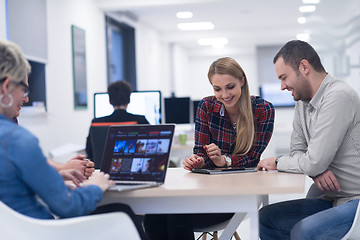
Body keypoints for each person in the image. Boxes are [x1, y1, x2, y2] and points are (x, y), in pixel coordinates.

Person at [0, 40, 149, 240]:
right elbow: (68, 206)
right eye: (24, 90)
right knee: (122, 213)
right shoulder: (17, 140)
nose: (26, 99)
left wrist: (57, 176)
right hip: (44, 233)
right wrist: (96, 185)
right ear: (7, 86)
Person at [144, 57, 275, 240]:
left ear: (242, 81)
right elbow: (200, 151)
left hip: (237, 194)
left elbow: (253, 157)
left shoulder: (263, 109)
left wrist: (224, 161)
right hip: (203, 192)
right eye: (217, 89)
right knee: (152, 219)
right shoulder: (207, 106)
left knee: (176, 220)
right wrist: (198, 161)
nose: (224, 95)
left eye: (230, 87)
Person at [257, 40, 360, 240]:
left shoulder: (338, 96)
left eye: (284, 77)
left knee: (304, 231)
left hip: (355, 200)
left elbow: (312, 161)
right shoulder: (302, 102)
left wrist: (278, 162)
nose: (282, 86)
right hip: (330, 197)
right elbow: (299, 152)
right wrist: (316, 169)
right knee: (265, 219)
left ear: (304, 67)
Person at [85, 80, 149, 160]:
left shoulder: (96, 123)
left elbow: (90, 152)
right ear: (129, 99)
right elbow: (149, 149)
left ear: (110, 100)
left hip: (101, 171)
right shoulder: (140, 121)